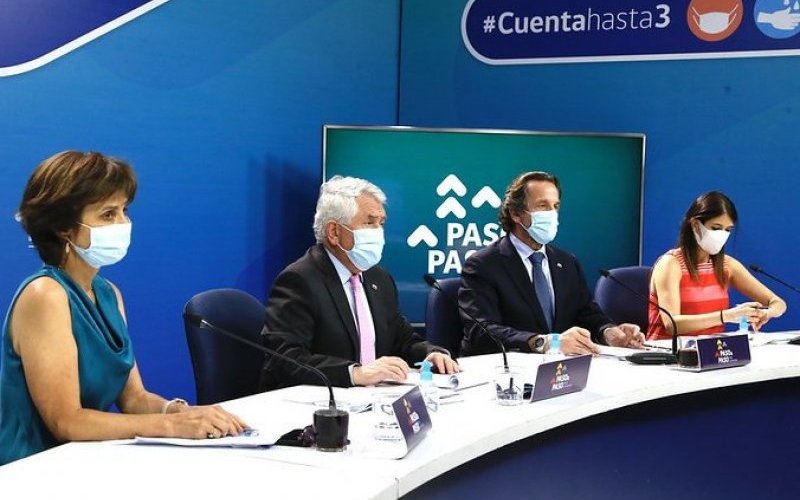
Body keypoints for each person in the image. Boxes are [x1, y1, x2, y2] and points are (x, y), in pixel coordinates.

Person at [0, 151, 246, 465]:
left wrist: (184, 413)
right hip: (31, 469)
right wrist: (171, 426)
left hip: (85, 461)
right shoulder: (44, 295)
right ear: (63, 227)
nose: (123, 224)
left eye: (124, 211)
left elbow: (134, 399)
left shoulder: (108, 293)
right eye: (107, 214)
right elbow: (66, 421)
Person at [260, 175, 459, 390]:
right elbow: (285, 359)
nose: (379, 232)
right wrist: (354, 373)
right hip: (322, 402)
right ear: (334, 232)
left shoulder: (379, 278)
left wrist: (431, 353)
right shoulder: (300, 280)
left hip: (376, 399)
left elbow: (402, 339)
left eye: (381, 223)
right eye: (369, 223)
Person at [459, 171, 644, 357]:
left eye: (555, 206)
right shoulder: (483, 265)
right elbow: (481, 330)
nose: (552, 214)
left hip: (561, 368)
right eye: (542, 206)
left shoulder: (567, 262)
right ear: (515, 214)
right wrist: (544, 342)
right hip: (505, 367)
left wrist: (609, 332)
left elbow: (586, 313)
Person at [648, 191, 786, 340]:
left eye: (728, 230)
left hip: (712, 351)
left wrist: (765, 313)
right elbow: (671, 324)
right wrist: (728, 315)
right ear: (695, 225)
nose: (722, 235)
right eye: (715, 228)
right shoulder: (670, 264)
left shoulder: (727, 265)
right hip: (667, 350)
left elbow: (778, 303)